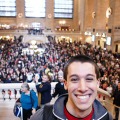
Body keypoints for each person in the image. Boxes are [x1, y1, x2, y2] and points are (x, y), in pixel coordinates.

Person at [30, 55, 112, 120]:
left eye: (89, 79)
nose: (82, 88)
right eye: (74, 79)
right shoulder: (42, 116)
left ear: (97, 83)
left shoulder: (107, 117)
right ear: (65, 84)